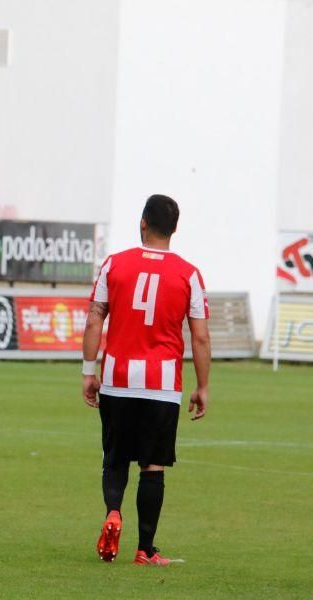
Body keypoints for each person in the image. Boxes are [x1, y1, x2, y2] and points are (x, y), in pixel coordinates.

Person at [82, 194, 211, 565]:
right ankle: (145, 549)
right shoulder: (188, 274)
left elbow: (94, 319)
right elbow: (200, 336)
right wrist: (202, 387)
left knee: (115, 456)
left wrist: (89, 373)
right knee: (152, 464)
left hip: (118, 377)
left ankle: (113, 512)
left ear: (142, 222)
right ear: (175, 228)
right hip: (161, 384)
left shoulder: (114, 265)